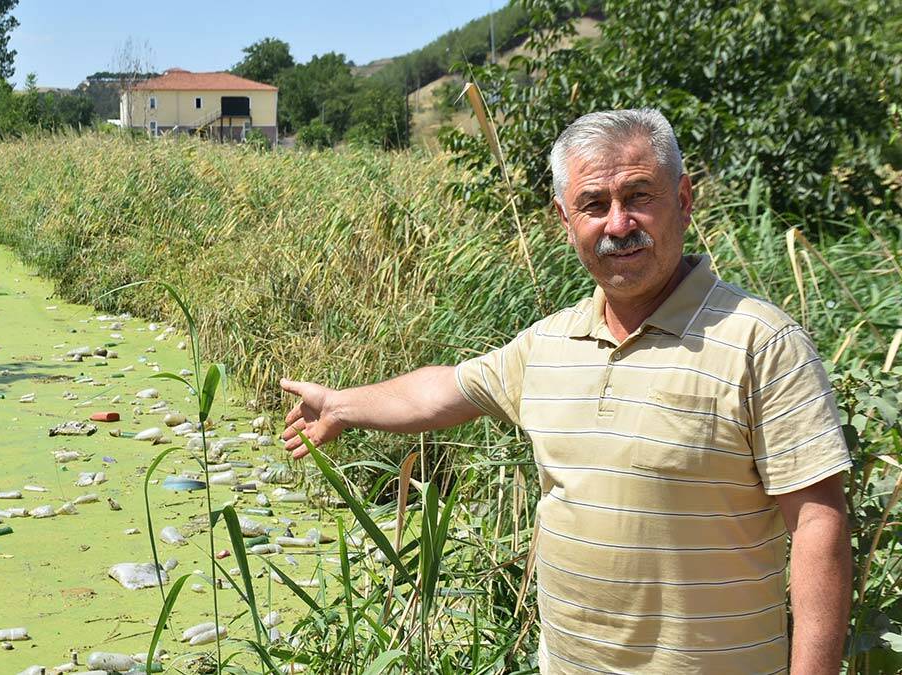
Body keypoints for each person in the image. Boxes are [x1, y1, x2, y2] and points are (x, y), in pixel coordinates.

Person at [278, 109, 852, 674]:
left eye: (639, 196)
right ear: (565, 218)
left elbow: (818, 525)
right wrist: (341, 405)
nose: (618, 224)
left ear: (683, 200)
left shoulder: (762, 343)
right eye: (594, 205)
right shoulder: (548, 343)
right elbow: (442, 390)